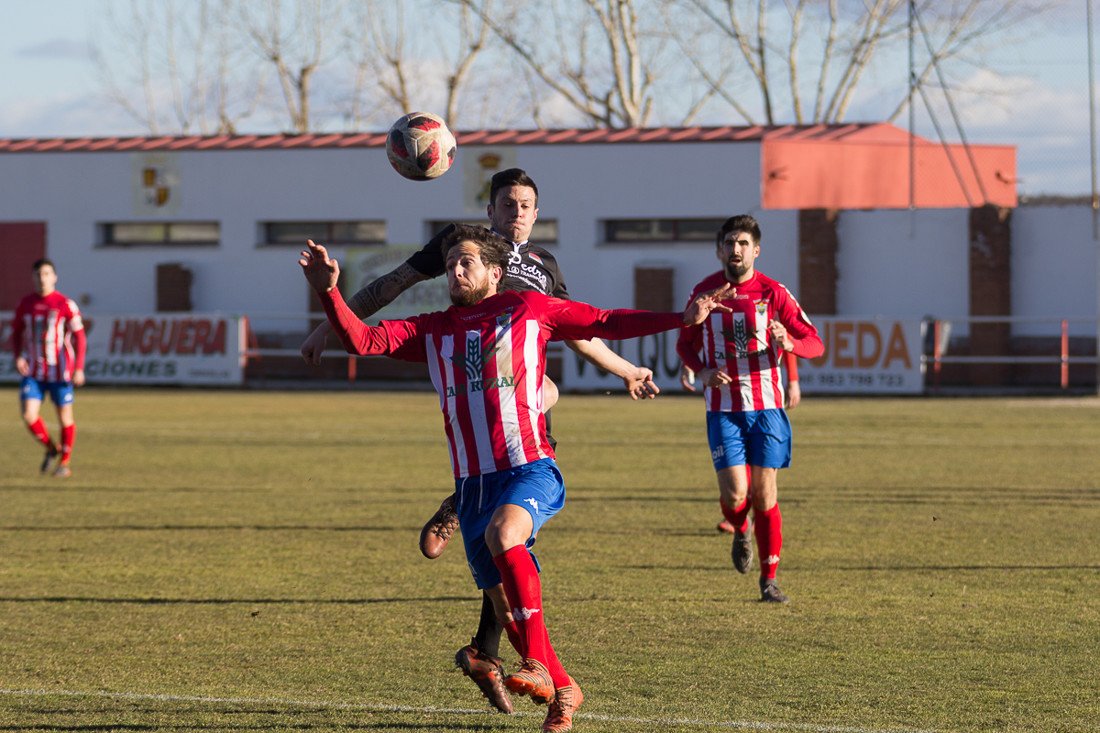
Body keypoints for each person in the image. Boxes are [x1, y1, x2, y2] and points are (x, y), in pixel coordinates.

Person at [299, 226, 730, 732]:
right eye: (450, 264)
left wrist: (682, 317)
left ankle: (539, 670)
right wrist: (329, 290)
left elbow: (606, 321)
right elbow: (363, 339)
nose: (455, 272)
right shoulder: (433, 328)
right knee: (507, 609)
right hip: (472, 487)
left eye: (466, 263)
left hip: (529, 467)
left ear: (494, 274)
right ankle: (564, 691)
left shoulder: (529, 308)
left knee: (505, 536)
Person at [676, 215, 823, 604]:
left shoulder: (773, 293)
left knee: (764, 493)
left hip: (768, 409)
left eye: (743, 243)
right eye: (730, 243)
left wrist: (790, 343)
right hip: (723, 409)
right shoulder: (705, 292)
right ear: (719, 250)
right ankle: (741, 530)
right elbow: (684, 343)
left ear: (755, 250)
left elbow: (815, 343)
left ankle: (769, 579)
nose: (736, 250)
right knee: (736, 493)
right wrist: (703, 370)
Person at [682, 352, 801, 535]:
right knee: (737, 462)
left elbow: (788, 337)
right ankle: (739, 515)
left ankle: (748, 515)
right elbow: (696, 332)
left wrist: (793, 379)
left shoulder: (769, 323)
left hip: (761, 397)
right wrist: (692, 364)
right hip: (727, 397)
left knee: (760, 469)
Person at [10, 258, 87, 478]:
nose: (42, 279)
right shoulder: (26, 303)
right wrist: (17, 357)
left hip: (60, 371)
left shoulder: (65, 304)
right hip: (33, 371)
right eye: (38, 275)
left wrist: (79, 368)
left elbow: (80, 337)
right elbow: (16, 332)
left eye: (46, 274)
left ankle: (64, 462)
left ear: (54, 277)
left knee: (64, 418)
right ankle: (52, 448)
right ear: (33, 278)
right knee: (28, 416)